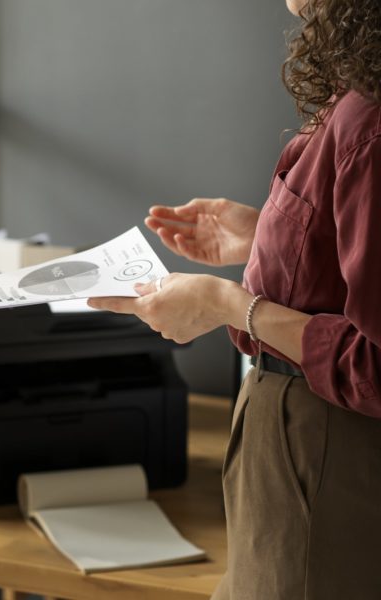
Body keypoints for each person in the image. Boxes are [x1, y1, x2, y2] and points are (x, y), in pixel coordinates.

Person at [89, 0, 381, 597]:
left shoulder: (369, 119)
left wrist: (226, 304)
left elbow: (377, 366)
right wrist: (270, 239)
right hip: (300, 453)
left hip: (327, 455)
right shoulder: (360, 87)